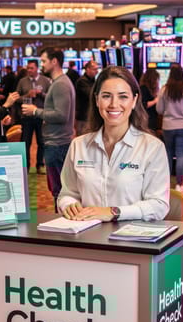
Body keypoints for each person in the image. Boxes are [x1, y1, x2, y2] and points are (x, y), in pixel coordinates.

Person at [59, 65, 169, 222]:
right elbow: (67, 194)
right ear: (97, 100)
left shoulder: (153, 148)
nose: (113, 104)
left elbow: (159, 206)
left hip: (132, 240)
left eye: (123, 96)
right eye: (106, 96)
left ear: (134, 100)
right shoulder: (78, 145)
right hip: (87, 237)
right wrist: (69, 204)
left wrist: (113, 212)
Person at [22, 48, 75, 201]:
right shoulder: (59, 82)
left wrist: (35, 111)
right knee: (58, 191)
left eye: (44, 61)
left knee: (59, 192)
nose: (42, 65)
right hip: (56, 143)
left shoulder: (60, 84)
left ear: (54, 61)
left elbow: (61, 115)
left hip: (57, 144)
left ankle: (62, 222)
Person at [156, 63, 183, 193]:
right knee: (180, 155)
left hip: (168, 125)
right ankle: (179, 184)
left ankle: (166, 184)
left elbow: (159, 109)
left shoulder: (164, 89)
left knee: (168, 154)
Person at [17, 59, 51, 173]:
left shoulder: (45, 81)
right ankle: (25, 167)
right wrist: (27, 95)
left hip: (41, 115)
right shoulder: (22, 81)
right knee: (26, 142)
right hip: (27, 116)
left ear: (37, 68)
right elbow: (17, 98)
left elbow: (50, 99)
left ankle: (40, 165)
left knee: (41, 142)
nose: (29, 70)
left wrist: (41, 94)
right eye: (28, 68)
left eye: (31, 68)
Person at [74, 60, 99, 135]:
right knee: (83, 141)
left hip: (90, 116)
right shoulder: (82, 81)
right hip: (83, 117)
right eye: (94, 69)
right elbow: (91, 94)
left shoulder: (92, 80)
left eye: (97, 69)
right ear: (88, 69)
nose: (97, 71)